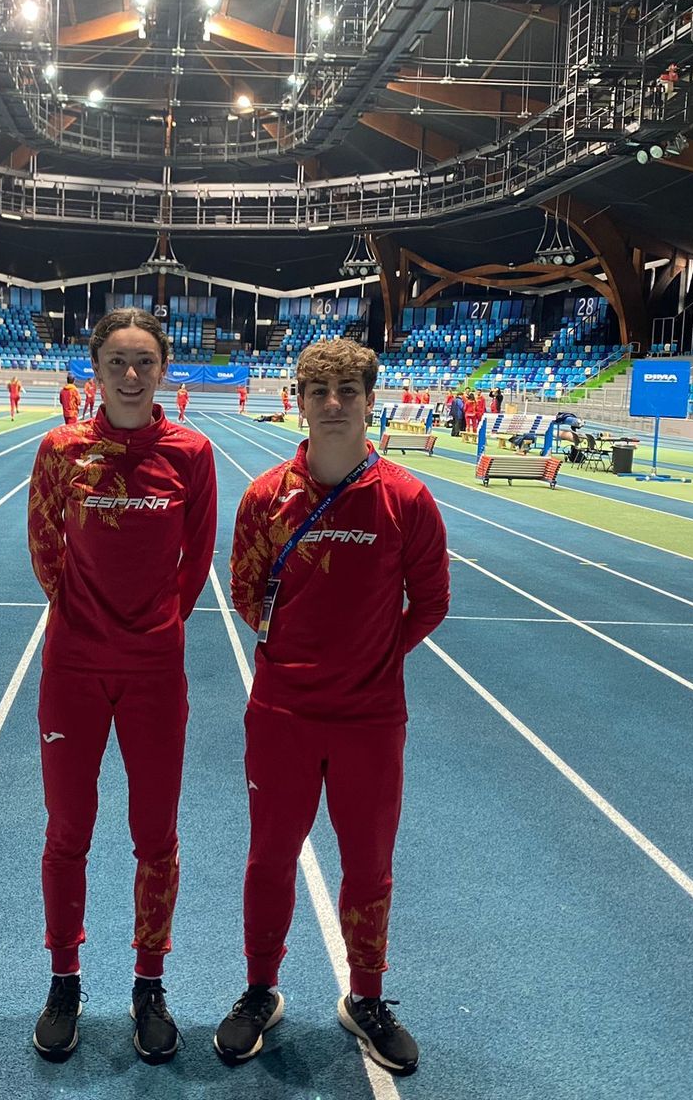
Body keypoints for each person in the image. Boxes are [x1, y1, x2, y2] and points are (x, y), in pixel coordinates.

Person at [217, 338, 449, 1075]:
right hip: (283, 714)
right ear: (301, 401)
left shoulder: (407, 498)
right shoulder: (264, 497)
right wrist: (297, 660)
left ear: (370, 399)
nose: (335, 404)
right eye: (320, 392)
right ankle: (260, 991)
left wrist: (373, 659)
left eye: (349, 390)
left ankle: (367, 999)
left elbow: (433, 602)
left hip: (371, 721)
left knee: (368, 866)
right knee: (269, 860)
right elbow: (246, 594)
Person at [27, 307, 218, 1067]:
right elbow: (45, 547)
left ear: (162, 369)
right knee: (67, 829)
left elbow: (195, 562)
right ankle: (64, 979)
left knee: (155, 836)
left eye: (144, 361)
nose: (131, 375)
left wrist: (151, 628)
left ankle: (148, 982)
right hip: (72, 667)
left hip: (153, 670)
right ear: (95, 369)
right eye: (117, 362)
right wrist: (83, 620)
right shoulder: (61, 449)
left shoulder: (193, 454)